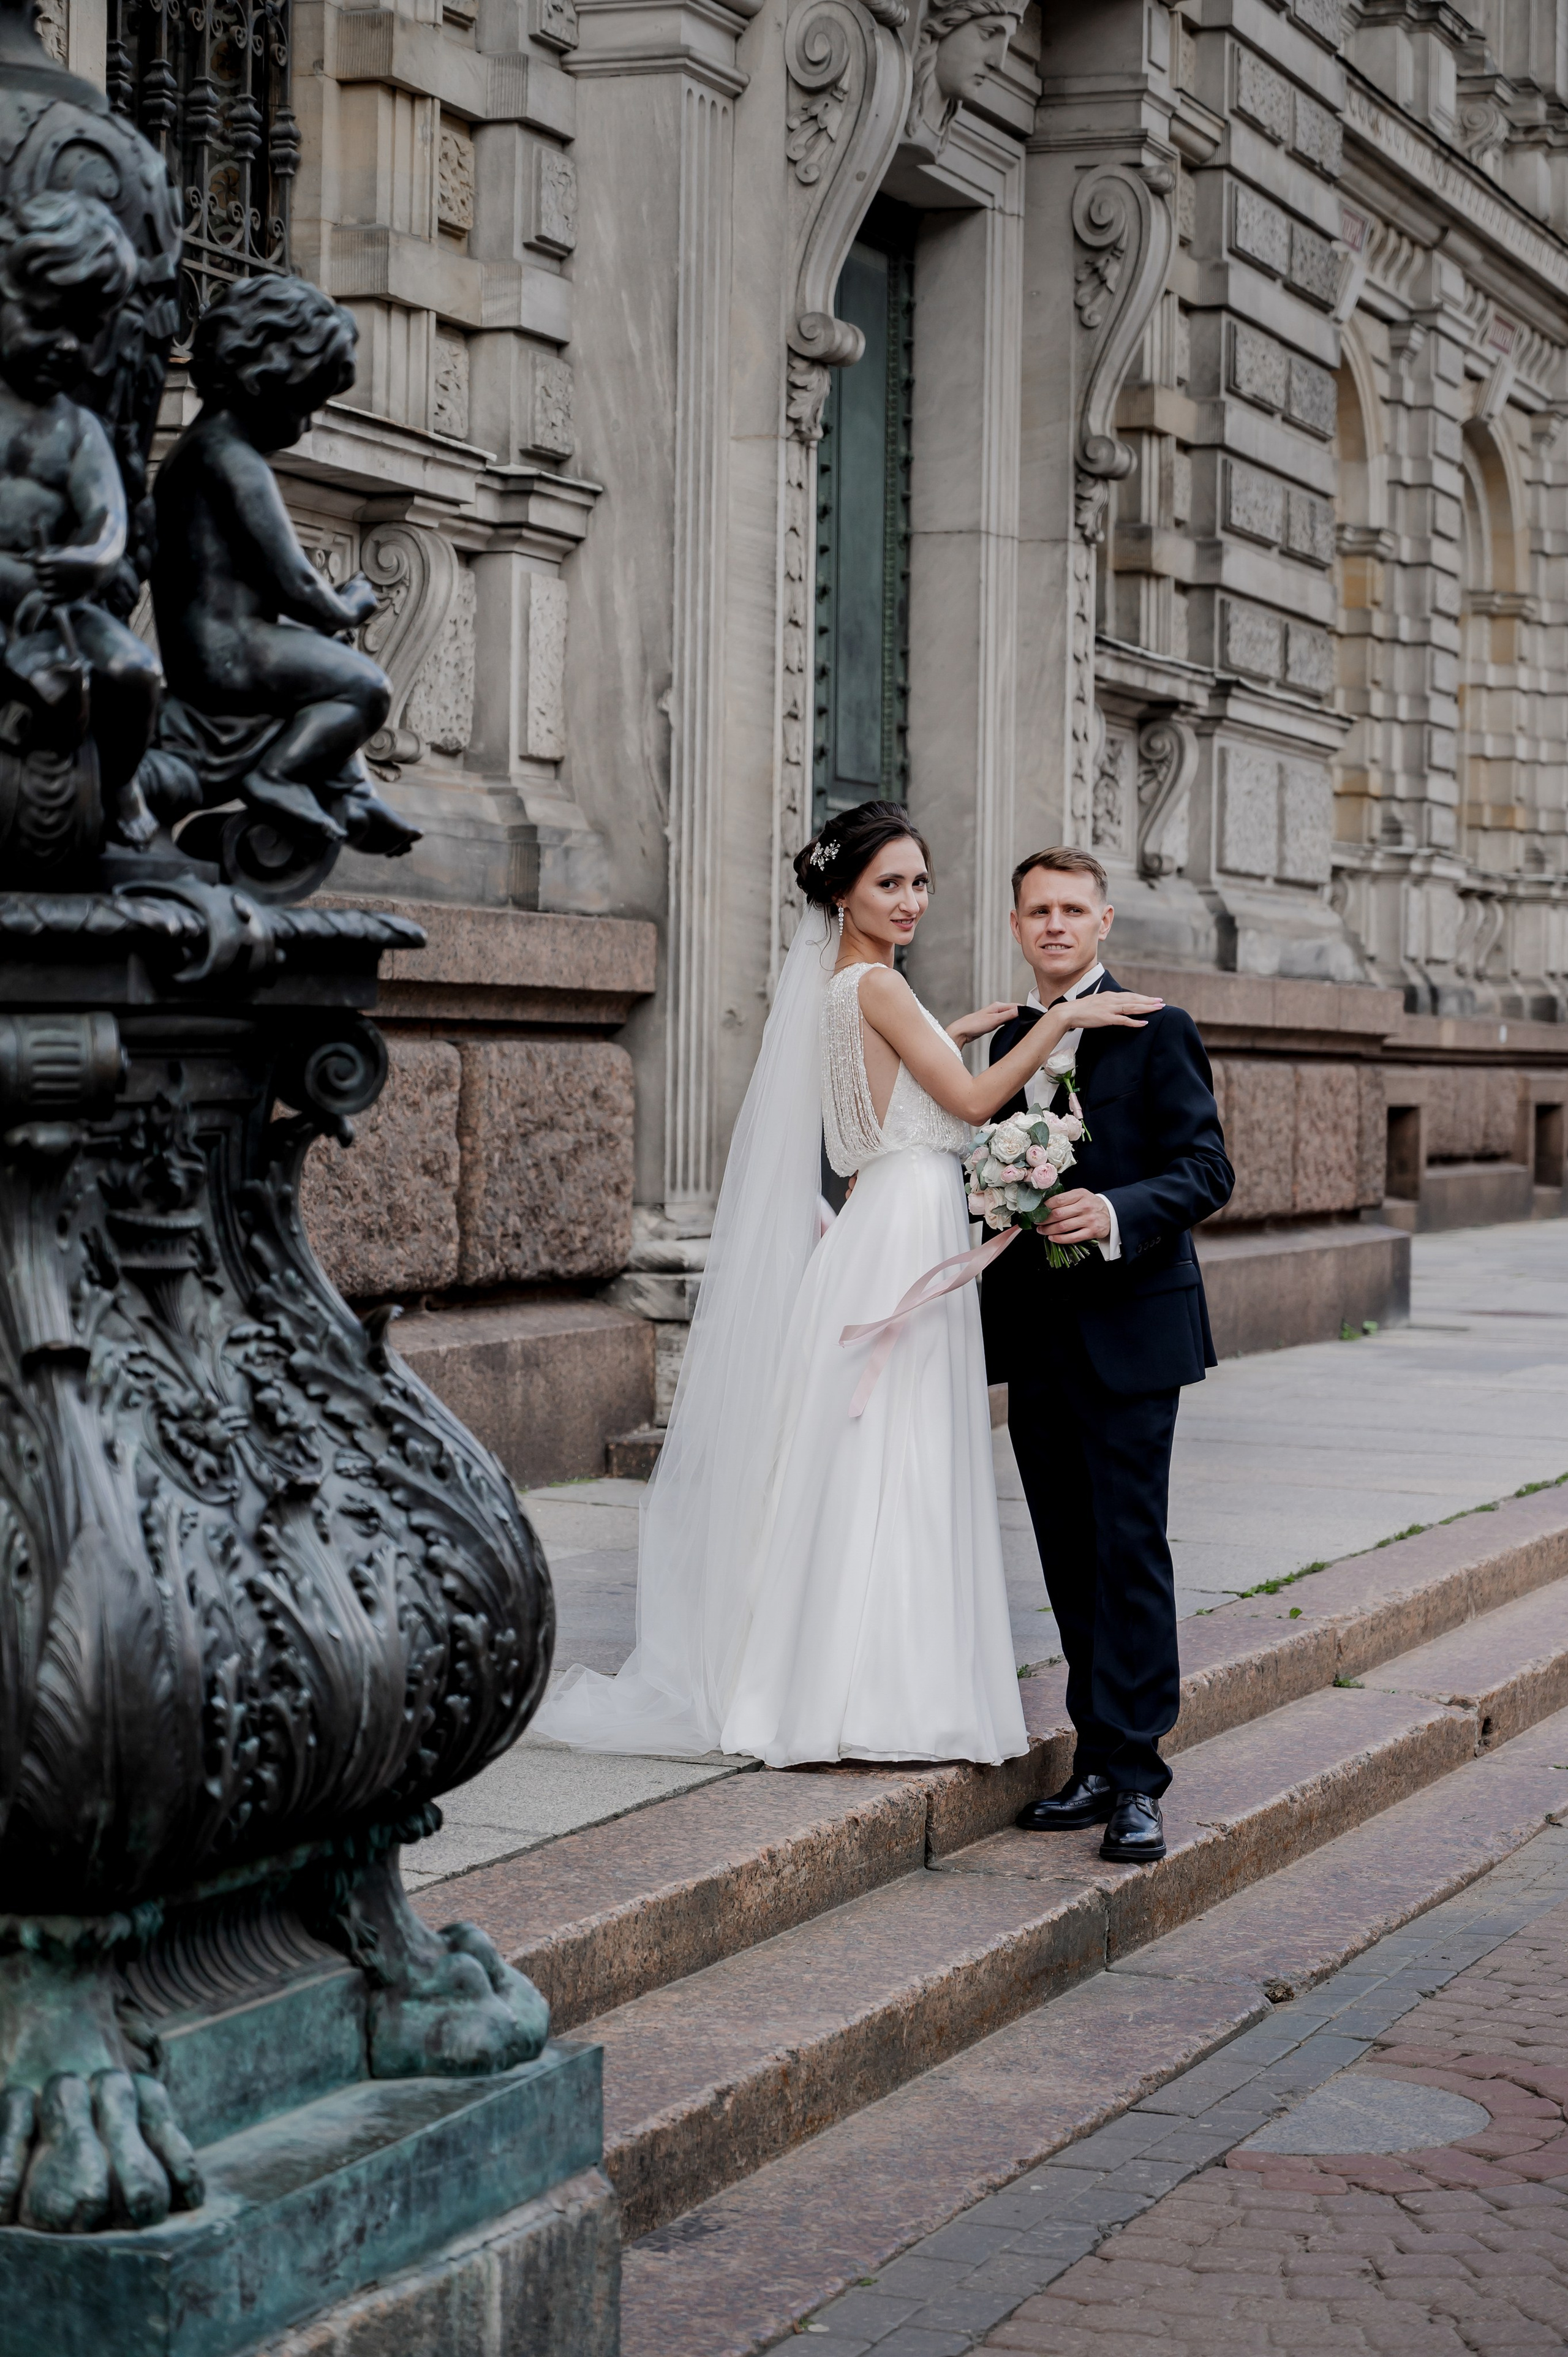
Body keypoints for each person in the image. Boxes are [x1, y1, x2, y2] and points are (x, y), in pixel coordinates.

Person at [537, 802, 1163, 1767]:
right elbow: (968, 1103)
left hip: (884, 1225)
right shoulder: (878, 986)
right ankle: (881, 1693)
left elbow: (880, 1099)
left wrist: (946, 1030)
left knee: (867, 1450)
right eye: (889, 884)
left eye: (920, 882)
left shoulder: (842, 986)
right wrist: (1064, 1021)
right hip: (905, 1226)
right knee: (898, 1451)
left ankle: (834, 1674)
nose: (911, 900)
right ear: (843, 892)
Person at [981, 847, 1234, 1863]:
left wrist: (1118, 1209)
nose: (1054, 924)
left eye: (1071, 909)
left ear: (1103, 922)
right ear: (1015, 926)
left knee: (1130, 1550)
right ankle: (1093, 1755)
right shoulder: (1008, 1038)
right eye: (1037, 909)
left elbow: (1207, 1169)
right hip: (1036, 1341)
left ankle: (1139, 1778)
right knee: (1067, 1553)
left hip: (1133, 1332)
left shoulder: (1157, 1026)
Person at [0, 190, 163, 847]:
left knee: (134, 675)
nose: (67, 346)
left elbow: (108, 521)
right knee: (46, 680)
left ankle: (121, 786)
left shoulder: (78, 428)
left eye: (84, 331)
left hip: (57, 598)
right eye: (46, 320)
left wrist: (88, 561)